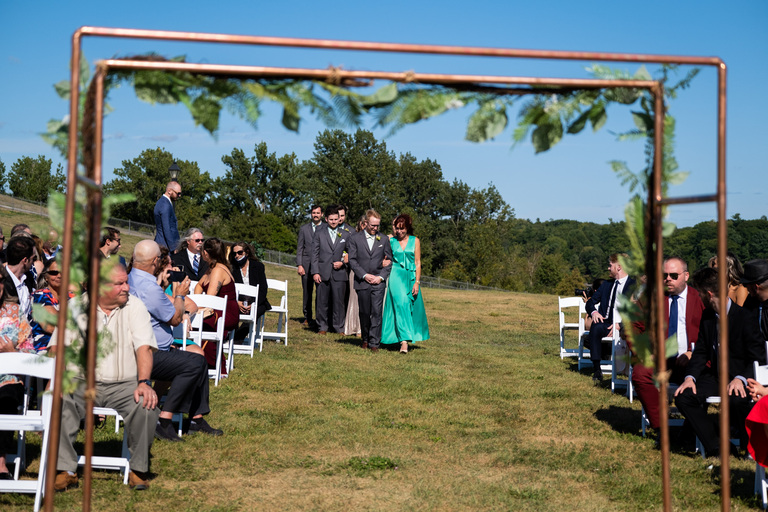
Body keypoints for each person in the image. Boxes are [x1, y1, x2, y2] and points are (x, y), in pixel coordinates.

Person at [51, 264, 159, 491]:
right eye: (119, 283)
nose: (126, 288)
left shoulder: (135, 306)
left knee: (146, 404)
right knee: (59, 398)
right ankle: (66, 469)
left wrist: (144, 383)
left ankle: (137, 470)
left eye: (126, 281)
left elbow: (144, 348)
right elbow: (58, 348)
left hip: (124, 384)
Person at [128, 240, 222, 440]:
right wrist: (179, 295)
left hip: (143, 350)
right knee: (194, 363)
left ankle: (195, 418)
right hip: (147, 354)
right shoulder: (148, 287)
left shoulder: (130, 280)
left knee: (196, 359)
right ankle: (164, 419)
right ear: (155, 261)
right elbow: (175, 318)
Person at [673, 267, 763, 458]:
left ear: (709, 294)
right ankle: (717, 445)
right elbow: (701, 352)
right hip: (715, 377)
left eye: (699, 294)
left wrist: (741, 378)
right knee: (683, 397)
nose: (697, 298)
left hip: (741, 377)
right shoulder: (707, 316)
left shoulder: (746, 317)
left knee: (737, 400)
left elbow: (758, 356)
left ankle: (751, 447)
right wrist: (690, 378)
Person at [631, 257, 705, 431]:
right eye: (664, 275)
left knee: (705, 379)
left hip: (690, 360)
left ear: (686, 276)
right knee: (640, 374)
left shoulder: (699, 299)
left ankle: (692, 429)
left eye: (673, 275)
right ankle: (660, 427)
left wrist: (693, 353)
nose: (668, 279)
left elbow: (712, 332)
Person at [0, 263, 35, 480]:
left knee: (7, 396)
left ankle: (1, 462)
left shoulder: (14, 312)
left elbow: (29, 349)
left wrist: (13, 352)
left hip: (7, 378)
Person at [381, 214, 429, 353]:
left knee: (408, 306)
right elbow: (384, 257)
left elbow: (418, 262)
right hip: (396, 275)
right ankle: (404, 342)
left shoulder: (415, 241)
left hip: (411, 277)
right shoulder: (390, 240)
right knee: (401, 303)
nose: (399, 231)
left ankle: (400, 337)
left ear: (408, 227)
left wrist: (417, 282)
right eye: (397, 228)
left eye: (402, 229)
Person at [584, 253, 636, 383]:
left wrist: (620, 325)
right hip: (606, 322)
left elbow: (637, 311)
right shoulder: (606, 285)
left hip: (626, 324)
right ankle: (597, 369)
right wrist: (594, 313)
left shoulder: (634, 285)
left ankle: (629, 368)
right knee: (595, 327)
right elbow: (590, 302)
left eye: (610, 265)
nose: (608, 268)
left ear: (619, 267)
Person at [348, 210, 392, 352]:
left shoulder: (384, 239)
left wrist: (380, 277)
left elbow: (389, 261)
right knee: (365, 312)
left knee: (376, 312)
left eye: (377, 226)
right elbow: (352, 261)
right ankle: (365, 338)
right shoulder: (355, 238)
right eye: (373, 225)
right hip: (363, 281)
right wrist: (364, 275)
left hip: (378, 282)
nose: (375, 228)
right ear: (365, 223)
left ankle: (374, 343)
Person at [195, 238, 239, 370]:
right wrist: (196, 305)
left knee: (203, 323)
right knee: (195, 320)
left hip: (226, 312)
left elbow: (210, 298)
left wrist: (198, 309)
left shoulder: (218, 271)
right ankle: (199, 360)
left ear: (206, 253)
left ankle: (218, 366)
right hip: (216, 309)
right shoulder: (211, 268)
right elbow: (199, 285)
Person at [311, 206, 350, 334]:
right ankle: (322, 326)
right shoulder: (319, 232)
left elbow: (351, 253)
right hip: (323, 272)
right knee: (322, 301)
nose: (334, 222)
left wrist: (343, 262)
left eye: (336, 219)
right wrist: (315, 272)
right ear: (326, 219)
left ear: (339, 219)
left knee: (339, 302)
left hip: (340, 273)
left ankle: (339, 327)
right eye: (331, 219)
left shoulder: (346, 234)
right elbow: (314, 254)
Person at [30, 261, 74, 353]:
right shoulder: (39, 296)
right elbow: (50, 326)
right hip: (44, 348)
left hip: (69, 346)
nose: (59, 275)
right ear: (46, 277)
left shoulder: (73, 297)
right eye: (54, 273)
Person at [296, 205, 323, 327]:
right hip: (306, 265)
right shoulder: (304, 229)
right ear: (311, 214)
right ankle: (307, 316)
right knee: (307, 292)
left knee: (320, 293)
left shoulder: (326, 228)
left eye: (318, 213)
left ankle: (319, 317)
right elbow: (300, 248)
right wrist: (300, 264)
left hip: (321, 266)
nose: (315, 215)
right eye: (313, 213)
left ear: (322, 214)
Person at [344, 214, 368, 337]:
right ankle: (352, 327)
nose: (365, 226)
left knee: (365, 300)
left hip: (369, 272)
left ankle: (361, 328)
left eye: (367, 223)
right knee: (354, 299)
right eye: (363, 223)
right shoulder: (353, 237)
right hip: (355, 270)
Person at [3, 236, 37, 320]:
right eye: (33, 258)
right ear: (25, 261)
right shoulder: (2, 282)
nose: (34, 262)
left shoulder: (28, 277)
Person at [154, 181, 181, 251]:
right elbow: (166, 228)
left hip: (165, 244)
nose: (179, 196)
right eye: (178, 193)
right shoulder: (165, 205)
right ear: (169, 191)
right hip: (165, 246)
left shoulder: (164, 202)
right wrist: (173, 247)